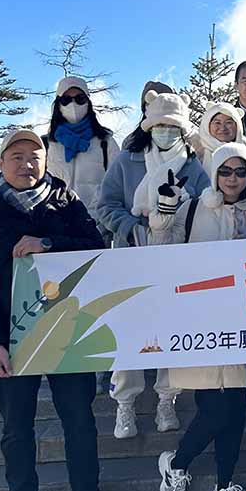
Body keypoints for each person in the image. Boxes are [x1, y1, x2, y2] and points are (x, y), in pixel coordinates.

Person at [0, 129, 117, 491]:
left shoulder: (66, 203)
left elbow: (95, 248)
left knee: (80, 423)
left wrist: (48, 243)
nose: (26, 163)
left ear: (46, 162)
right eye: (17, 156)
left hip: (69, 333)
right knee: (16, 428)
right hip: (13, 340)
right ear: (0, 163)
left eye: (35, 156)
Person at [154, 142, 246, 491]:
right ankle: (179, 463)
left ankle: (222, 486)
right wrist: (164, 212)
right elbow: (161, 250)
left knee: (233, 406)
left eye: (240, 172)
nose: (233, 179)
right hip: (200, 320)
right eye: (226, 171)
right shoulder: (192, 207)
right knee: (216, 404)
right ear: (215, 172)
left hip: (245, 319)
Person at [96, 89, 207, 439]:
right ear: (149, 126)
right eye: (159, 125)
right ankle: (125, 403)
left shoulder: (193, 165)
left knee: (170, 328)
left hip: (176, 260)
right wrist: (133, 227)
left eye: (173, 127)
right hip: (132, 256)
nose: (166, 132)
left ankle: (166, 399)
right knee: (128, 330)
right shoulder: (128, 160)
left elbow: (207, 205)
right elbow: (106, 204)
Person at [44, 77, 121, 230]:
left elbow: (117, 185)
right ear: (58, 104)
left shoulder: (105, 142)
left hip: (96, 226)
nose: (73, 105)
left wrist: (103, 221)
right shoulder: (46, 145)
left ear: (88, 102)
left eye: (79, 99)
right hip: (56, 226)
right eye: (66, 99)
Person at [194, 101, 246, 173]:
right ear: (207, 125)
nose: (222, 128)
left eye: (228, 123)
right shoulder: (194, 152)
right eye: (217, 123)